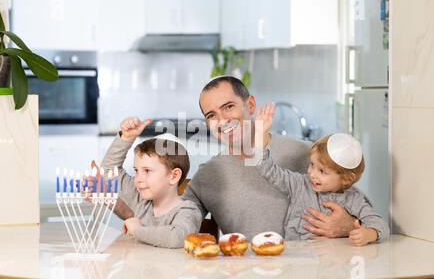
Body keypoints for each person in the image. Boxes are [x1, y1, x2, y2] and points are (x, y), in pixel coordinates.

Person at [113, 76, 360, 240]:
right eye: (211, 115)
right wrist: (117, 205)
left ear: (250, 105)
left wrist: (349, 225)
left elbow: (360, 208)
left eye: (228, 107)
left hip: (313, 278)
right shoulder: (207, 177)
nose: (221, 120)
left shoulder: (306, 154)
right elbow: (168, 224)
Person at [254, 103, 390, 246]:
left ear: (346, 179)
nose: (312, 174)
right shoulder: (299, 184)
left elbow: (381, 226)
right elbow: (267, 170)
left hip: (333, 262)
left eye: (322, 171)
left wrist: (370, 233)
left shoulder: (354, 199)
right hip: (297, 258)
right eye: (312, 164)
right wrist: (259, 137)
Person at [98, 116, 202, 248]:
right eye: (136, 171)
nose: (138, 179)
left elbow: (177, 238)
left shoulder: (187, 211)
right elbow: (108, 171)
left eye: (147, 171)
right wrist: (126, 138)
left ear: (174, 176)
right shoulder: (141, 201)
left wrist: (137, 230)